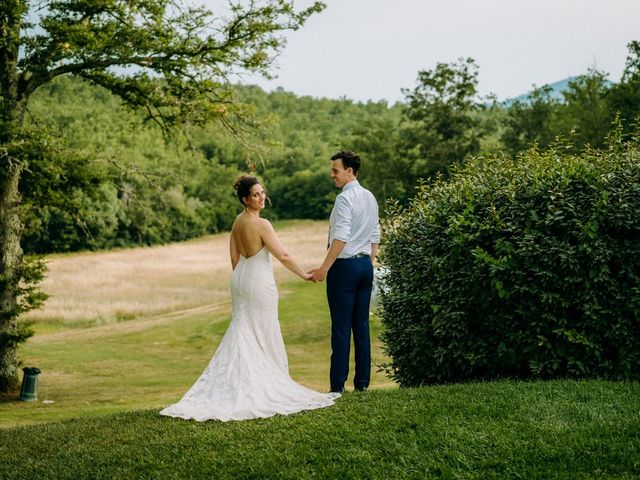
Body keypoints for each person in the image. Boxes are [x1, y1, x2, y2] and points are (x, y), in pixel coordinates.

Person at [160, 175, 339, 421]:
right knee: (262, 329)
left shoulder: (238, 221)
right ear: (246, 199)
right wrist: (304, 275)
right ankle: (264, 385)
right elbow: (283, 256)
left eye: (262, 192)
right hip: (258, 281)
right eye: (256, 194)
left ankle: (240, 383)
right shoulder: (262, 224)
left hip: (241, 279)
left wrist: (243, 276)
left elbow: (234, 257)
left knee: (243, 328)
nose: (261, 197)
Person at [310, 151, 380, 393]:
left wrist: (324, 268)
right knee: (360, 327)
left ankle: (337, 387)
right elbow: (375, 234)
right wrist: (369, 260)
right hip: (364, 268)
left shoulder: (344, 199)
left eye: (336, 170)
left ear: (350, 171)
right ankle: (362, 385)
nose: (332, 175)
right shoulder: (370, 197)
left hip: (345, 267)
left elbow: (340, 237)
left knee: (341, 328)